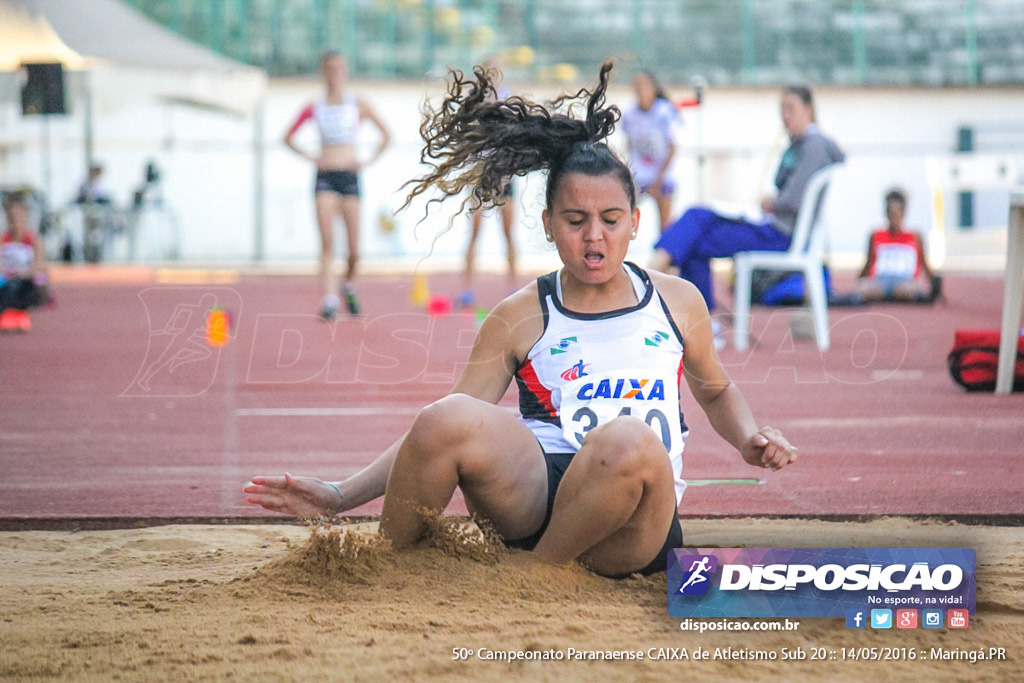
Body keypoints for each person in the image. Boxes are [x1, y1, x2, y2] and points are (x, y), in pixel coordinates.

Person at [245, 61, 798, 579]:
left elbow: (717, 390)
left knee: (626, 439)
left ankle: (534, 580)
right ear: (549, 224)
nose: (594, 236)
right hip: (536, 495)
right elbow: (432, 435)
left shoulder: (677, 301)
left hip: (633, 519)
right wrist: (342, 494)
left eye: (609, 220)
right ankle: (382, 571)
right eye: (576, 220)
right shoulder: (520, 314)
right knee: (449, 414)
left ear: (634, 223)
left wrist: (749, 436)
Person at [650, 85, 844, 345]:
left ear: (809, 110)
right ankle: (701, 324)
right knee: (696, 233)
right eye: (781, 109)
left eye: (790, 109)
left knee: (696, 219)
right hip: (772, 228)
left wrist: (771, 202)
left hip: (780, 235)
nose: (784, 116)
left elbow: (793, 200)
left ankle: (651, 276)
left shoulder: (814, 146)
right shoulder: (799, 145)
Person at [284, 51, 391, 319]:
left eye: (339, 68)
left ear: (345, 71)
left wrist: (366, 161)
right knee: (328, 243)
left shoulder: (358, 104)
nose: (334, 74)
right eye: (329, 68)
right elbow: (288, 136)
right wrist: (311, 157)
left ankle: (348, 285)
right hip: (325, 178)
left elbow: (386, 135)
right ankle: (329, 300)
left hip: (350, 176)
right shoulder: (315, 105)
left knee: (354, 250)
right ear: (323, 72)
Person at [458, 57, 518, 308]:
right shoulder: (475, 101)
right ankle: (468, 288)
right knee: (475, 230)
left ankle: (513, 288)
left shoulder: (509, 99)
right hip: (482, 174)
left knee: (507, 232)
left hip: (503, 174)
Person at [851, 188, 938, 304]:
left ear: (903, 213)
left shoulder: (915, 236)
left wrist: (935, 285)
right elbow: (868, 263)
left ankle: (913, 297)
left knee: (904, 291)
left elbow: (924, 263)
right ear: (886, 213)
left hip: (905, 281)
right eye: (891, 213)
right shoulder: (875, 235)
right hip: (880, 281)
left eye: (897, 213)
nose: (894, 218)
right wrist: (859, 283)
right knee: (866, 290)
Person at [620, 71, 678, 232]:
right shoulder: (630, 113)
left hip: (662, 174)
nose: (640, 90)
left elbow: (672, 146)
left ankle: (664, 254)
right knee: (623, 214)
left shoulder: (665, 112)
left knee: (665, 225)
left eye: (644, 85)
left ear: (653, 88)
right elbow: (629, 144)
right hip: (640, 174)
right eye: (636, 85)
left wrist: (660, 177)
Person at [0, 189, 49, 332]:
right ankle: (11, 316)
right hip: (7, 283)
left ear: (25, 217)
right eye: (12, 218)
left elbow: (39, 265)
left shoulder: (33, 240)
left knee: (34, 283)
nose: (16, 222)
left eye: (19, 217)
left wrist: (21, 274)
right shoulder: (3, 239)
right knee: (7, 287)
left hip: (26, 281)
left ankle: (16, 315)